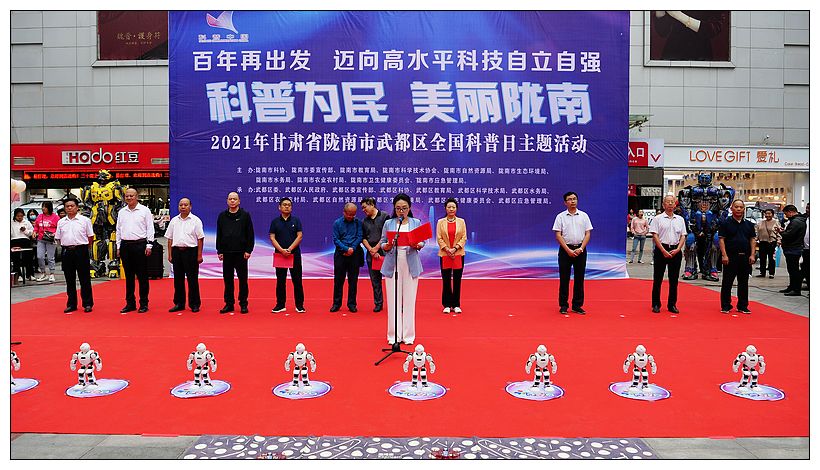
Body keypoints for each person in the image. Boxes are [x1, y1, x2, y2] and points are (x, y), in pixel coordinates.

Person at [379, 193, 425, 345]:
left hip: (410, 260)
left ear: (409, 208)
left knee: (410, 300)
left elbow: (422, 241)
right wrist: (387, 245)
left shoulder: (416, 222)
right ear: (394, 208)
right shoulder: (389, 223)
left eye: (404, 208)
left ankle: (408, 335)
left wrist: (417, 244)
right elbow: (383, 242)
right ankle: (394, 335)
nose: (401, 211)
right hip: (393, 261)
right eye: (398, 208)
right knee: (393, 300)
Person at [552, 191, 592, 315]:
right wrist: (568, 250)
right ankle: (563, 305)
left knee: (579, 278)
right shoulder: (560, 217)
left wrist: (581, 248)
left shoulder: (584, 216)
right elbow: (558, 235)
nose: (572, 201)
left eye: (574, 199)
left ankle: (577, 305)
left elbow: (588, 233)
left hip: (580, 250)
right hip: (565, 250)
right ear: (565, 202)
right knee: (564, 278)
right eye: (570, 199)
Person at [116, 188, 155, 313]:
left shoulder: (144, 210)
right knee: (129, 277)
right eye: (127, 196)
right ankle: (130, 303)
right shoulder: (122, 212)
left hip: (140, 245)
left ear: (137, 196)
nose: (129, 198)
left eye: (131, 196)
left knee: (142, 276)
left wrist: (149, 245)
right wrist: (118, 246)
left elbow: (150, 228)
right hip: (125, 246)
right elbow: (118, 230)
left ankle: (144, 303)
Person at [216, 191, 255, 314]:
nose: (232, 201)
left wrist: (248, 250)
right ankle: (229, 304)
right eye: (230, 199)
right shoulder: (222, 216)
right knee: (228, 280)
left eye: (235, 199)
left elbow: (250, 234)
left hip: (241, 253)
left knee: (243, 280)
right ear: (227, 201)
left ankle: (243, 303)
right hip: (227, 253)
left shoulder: (245, 215)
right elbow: (219, 234)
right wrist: (219, 250)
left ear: (239, 201)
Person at [54, 198, 94, 313]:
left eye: (72, 206)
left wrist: (85, 248)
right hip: (67, 251)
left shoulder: (85, 220)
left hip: (81, 250)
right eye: (67, 206)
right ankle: (71, 304)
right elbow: (58, 238)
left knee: (84, 278)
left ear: (77, 207)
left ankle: (87, 303)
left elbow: (90, 237)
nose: (70, 208)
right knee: (69, 278)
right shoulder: (61, 222)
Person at [648, 195, 687, 314]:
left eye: (672, 202)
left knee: (674, 280)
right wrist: (663, 251)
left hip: (675, 250)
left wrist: (678, 249)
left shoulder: (680, 219)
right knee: (658, 278)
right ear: (663, 205)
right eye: (668, 202)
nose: (670, 204)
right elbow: (655, 236)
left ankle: (672, 304)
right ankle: (656, 304)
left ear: (675, 204)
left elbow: (683, 235)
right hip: (661, 250)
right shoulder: (657, 219)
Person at [165, 197, 205, 313]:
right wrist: (170, 254)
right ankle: (179, 303)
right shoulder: (174, 221)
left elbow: (200, 239)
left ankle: (194, 304)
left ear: (190, 206)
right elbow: (169, 239)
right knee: (178, 279)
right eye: (181, 205)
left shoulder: (195, 220)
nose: (183, 207)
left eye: (185, 205)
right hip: (176, 252)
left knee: (192, 279)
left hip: (191, 252)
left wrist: (199, 255)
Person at [718, 200, 757, 314]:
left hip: (745, 257)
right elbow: (721, 239)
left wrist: (752, 254)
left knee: (744, 282)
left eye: (741, 207)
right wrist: (724, 255)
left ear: (744, 209)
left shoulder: (749, 224)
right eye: (736, 207)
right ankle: (726, 305)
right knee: (727, 282)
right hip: (730, 257)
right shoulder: (725, 223)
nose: (739, 209)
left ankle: (742, 305)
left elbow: (752, 239)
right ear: (732, 208)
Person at [269, 197, 304, 313]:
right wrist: (281, 250)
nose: (287, 206)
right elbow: (272, 237)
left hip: (294, 254)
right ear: (279, 207)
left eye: (289, 205)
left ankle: (299, 305)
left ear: (291, 208)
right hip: (280, 255)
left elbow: (299, 236)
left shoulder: (296, 220)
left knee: (297, 280)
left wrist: (289, 249)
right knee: (280, 281)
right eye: (284, 205)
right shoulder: (275, 222)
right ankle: (280, 305)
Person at [330, 202, 364, 313]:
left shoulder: (358, 223)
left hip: (354, 253)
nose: (350, 216)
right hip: (341, 254)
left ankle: (352, 304)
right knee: (338, 280)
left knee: (353, 281)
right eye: (349, 214)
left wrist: (352, 248)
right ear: (344, 212)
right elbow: (336, 239)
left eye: (353, 214)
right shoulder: (337, 223)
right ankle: (336, 303)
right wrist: (345, 249)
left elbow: (359, 236)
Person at [436, 198, 467, 314]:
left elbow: (464, 237)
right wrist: (447, 249)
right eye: (449, 207)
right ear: (445, 208)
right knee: (446, 280)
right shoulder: (440, 222)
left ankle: (456, 304)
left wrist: (455, 248)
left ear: (456, 209)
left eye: (453, 207)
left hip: (458, 253)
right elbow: (439, 237)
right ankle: (447, 304)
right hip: (445, 254)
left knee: (457, 280)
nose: (451, 209)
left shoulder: (461, 222)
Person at [360, 197, 389, 312]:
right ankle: (378, 303)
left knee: (391, 279)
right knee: (375, 280)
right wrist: (371, 250)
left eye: (364, 207)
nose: (363, 210)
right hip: (371, 253)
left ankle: (396, 303)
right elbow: (363, 238)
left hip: (385, 251)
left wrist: (377, 248)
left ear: (372, 205)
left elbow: (386, 235)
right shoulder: (364, 221)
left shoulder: (385, 216)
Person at [778, 204, 807, 297]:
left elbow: (789, 235)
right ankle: (791, 287)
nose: (786, 216)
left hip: (793, 248)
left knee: (794, 270)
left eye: (786, 214)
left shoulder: (796, 222)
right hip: (793, 248)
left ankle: (796, 289)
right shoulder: (797, 220)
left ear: (790, 212)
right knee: (791, 269)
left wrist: (781, 232)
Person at [33, 201, 60, 283]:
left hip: (50, 239)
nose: (43, 208)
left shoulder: (55, 217)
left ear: (49, 208)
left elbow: (59, 228)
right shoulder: (40, 216)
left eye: (45, 207)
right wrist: (34, 232)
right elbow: (36, 226)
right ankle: (43, 273)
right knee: (40, 256)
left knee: (50, 257)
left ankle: (52, 273)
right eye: (43, 206)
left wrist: (55, 234)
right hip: (41, 239)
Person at [755, 209, 781, 279]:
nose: (767, 215)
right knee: (762, 258)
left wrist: (779, 241)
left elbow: (778, 233)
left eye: (769, 213)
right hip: (762, 242)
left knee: (771, 258)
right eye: (766, 213)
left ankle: (771, 273)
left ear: (772, 214)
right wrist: (756, 239)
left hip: (772, 242)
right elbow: (758, 232)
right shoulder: (761, 222)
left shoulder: (776, 222)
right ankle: (762, 272)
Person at [10, 208, 34, 281]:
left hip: (25, 240)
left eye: (21, 216)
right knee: (16, 259)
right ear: (15, 216)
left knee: (28, 258)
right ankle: (18, 275)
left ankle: (29, 274)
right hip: (14, 240)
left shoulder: (27, 222)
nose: (20, 217)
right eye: (18, 216)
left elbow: (31, 232)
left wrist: (25, 230)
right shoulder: (11, 223)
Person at [802, 202, 809, 290]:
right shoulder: (805, 219)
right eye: (806, 208)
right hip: (805, 248)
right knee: (806, 267)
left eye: (809, 208)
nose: (807, 210)